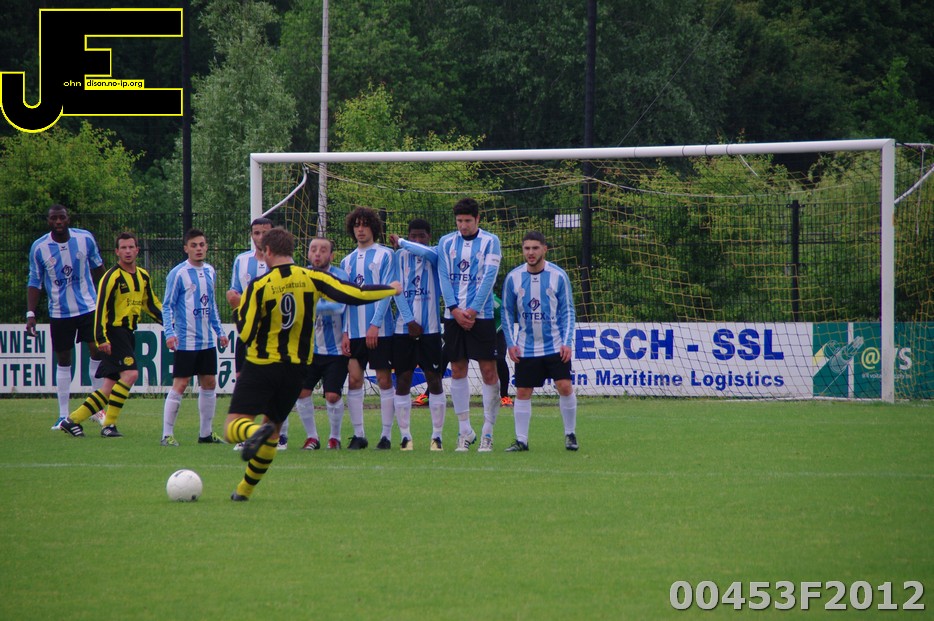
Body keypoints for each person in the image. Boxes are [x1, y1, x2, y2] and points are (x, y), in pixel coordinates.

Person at [225, 227, 401, 501]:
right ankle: (243, 491)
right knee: (273, 433)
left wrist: (237, 306)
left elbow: (246, 334)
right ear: (293, 251)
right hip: (296, 369)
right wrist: (391, 288)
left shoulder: (258, 286)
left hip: (262, 364)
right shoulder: (312, 277)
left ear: (267, 251)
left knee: (233, 427)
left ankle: (254, 431)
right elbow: (354, 293)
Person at [60, 232, 163, 438]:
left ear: (137, 250)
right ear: (117, 251)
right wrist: (101, 338)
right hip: (114, 333)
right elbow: (100, 309)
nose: (127, 251)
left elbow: (151, 304)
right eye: (123, 248)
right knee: (131, 375)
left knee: (108, 387)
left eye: (131, 247)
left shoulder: (143, 276)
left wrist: (171, 324)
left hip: (128, 333)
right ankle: (109, 425)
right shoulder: (111, 277)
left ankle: (71, 421)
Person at [27, 204, 107, 430]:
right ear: (48, 221)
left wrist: (107, 300)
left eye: (61, 217)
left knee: (98, 351)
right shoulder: (39, 247)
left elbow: (99, 270)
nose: (58, 222)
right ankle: (63, 415)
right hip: (60, 313)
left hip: (89, 307)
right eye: (54, 218)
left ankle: (98, 410)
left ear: (68, 218)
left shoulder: (85, 239)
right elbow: (34, 281)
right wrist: (31, 313)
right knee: (63, 360)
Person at [501, 231, 579, 452]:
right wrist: (510, 343)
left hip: (555, 345)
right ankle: (521, 440)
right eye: (527, 248)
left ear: (545, 249)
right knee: (523, 391)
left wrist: (567, 342)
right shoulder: (513, 278)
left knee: (564, 386)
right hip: (526, 346)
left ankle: (570, 434)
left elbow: (568, 311)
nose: (531, 252)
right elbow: (506, 312)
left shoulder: (558, 276)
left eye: (535, 248)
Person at [436, 197, 503, 452]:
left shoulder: (490, 241)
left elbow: (489, 278)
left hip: (481, 316)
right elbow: (443, 277)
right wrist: (454, 310)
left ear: (477, 219)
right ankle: (464, 431)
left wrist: (472, 311)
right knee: (457, 369)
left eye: (467, 220)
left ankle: (488, 431)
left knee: (489, 372)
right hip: (453, 316)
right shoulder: (446, 242)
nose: (463, 225)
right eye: (459, 221)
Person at [159, 229, 230, 446]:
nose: (198, 249)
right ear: (186, 248)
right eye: (194, 245)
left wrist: (220, 331)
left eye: (201, 245)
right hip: (186, 340)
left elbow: (212, 304)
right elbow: (167, 306)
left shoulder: (210, 271)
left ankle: (205, 434)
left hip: (206, 340)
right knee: (181, 384)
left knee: (209, 383)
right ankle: (167, 435)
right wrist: (170, 333)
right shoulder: (178, 273)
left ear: (206, 247)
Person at [278, 237, 350, 450]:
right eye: (314, 249)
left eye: (323, 250)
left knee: (332, 395)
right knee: (302, 392)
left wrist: (307, 305)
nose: (318, 253)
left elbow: (339, 307)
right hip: (308, 349)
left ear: (332, 255)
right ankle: (312, 437)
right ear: (308, 254)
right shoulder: (301, 276)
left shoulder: (340, 276)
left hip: (336, 348)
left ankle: (334, 438)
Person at [339, 207, 396, 450]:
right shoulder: (346, 261)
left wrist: (375, 324)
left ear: (373, 227)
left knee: (383, 379)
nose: (360, 230)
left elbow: (387, 292)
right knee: (354, 380)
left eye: (365, 225)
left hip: (379, 331)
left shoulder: (386, 255)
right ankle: (359, 435)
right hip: (354, 331)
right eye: (356, 225)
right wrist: (345, 331)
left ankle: (386, 436)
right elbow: (344, 298)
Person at [389, 218, 446, 450]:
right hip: (403, 329)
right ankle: (405, 437)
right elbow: (395, 290)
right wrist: (409, 320)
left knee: (434, 379)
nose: (418, 239)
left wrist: (402, 241)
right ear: (409, 235)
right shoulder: (397, 257)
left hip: (431, 329)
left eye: (422, 235)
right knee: (403, 379)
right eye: (413, 235)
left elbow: (426, 251)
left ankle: (437, 436)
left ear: (429, 237)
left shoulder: (436, 254)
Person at [226, 217, 273, 378]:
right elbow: (234, 292)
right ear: (252, 235)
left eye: (265, 233)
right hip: (246, 328)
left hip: (271, 332)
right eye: (256, 233)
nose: (260, 237)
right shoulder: (241, 260)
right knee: (242, 378)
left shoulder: (282, 261)